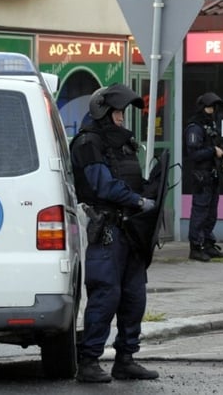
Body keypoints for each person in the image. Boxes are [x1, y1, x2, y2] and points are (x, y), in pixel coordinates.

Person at [70, 83, 159, 383]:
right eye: (118, 113)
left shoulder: (123, 144)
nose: (122, 119)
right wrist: (137, 200)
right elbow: (103, 185)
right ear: (104, 112)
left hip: (131, 232)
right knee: (106, 295)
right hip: (106, 231)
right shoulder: (88, 143)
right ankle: (90, 360)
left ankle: (126, 358)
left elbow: (128, 177)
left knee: (135, 297)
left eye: (122, 113)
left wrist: (151, 187)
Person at [183, 92, 223, 262]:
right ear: (202, 107)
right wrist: (213, 151)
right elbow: (194, 153)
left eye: (214, 108)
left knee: (211, 213)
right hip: (201, 177)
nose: (212, 111)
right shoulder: (194, 127)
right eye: (209, 107)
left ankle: (208, 244)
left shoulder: (211, 125)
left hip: (213, 175)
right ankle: (195, 247)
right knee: (200, 212)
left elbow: (218, 144)